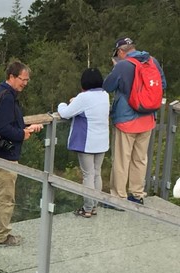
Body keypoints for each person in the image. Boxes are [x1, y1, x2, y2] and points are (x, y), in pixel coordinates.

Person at [0, 61, 43, 246]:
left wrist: (25, 127)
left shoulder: (0, 92)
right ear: (12, 77)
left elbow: (5, 122)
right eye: (23, 79)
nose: (25, 83)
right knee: (5, 197)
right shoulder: (7, 97)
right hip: (4, 157)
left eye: (27, 80)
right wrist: (22, 134)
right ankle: (3, 236)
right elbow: (4, 127)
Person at [102, 37, 166, 205]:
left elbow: (107, 86)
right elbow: (162, 85)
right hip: (148, 118)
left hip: (126, 119)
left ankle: (118, 198)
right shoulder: (152, 61)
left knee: (122, 159)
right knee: (140, 159)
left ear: (121, 52)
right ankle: (137, 194)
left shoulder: (123, 65)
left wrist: (116, 69)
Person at [57, 68, 110, 218]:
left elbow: (66, 113)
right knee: (96, 173)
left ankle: (87, 208)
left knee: (88, 175)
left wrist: (62, 104)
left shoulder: (84, 97)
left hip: (87, 142)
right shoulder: (104, 95)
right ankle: (94, 206)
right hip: (102, 141)